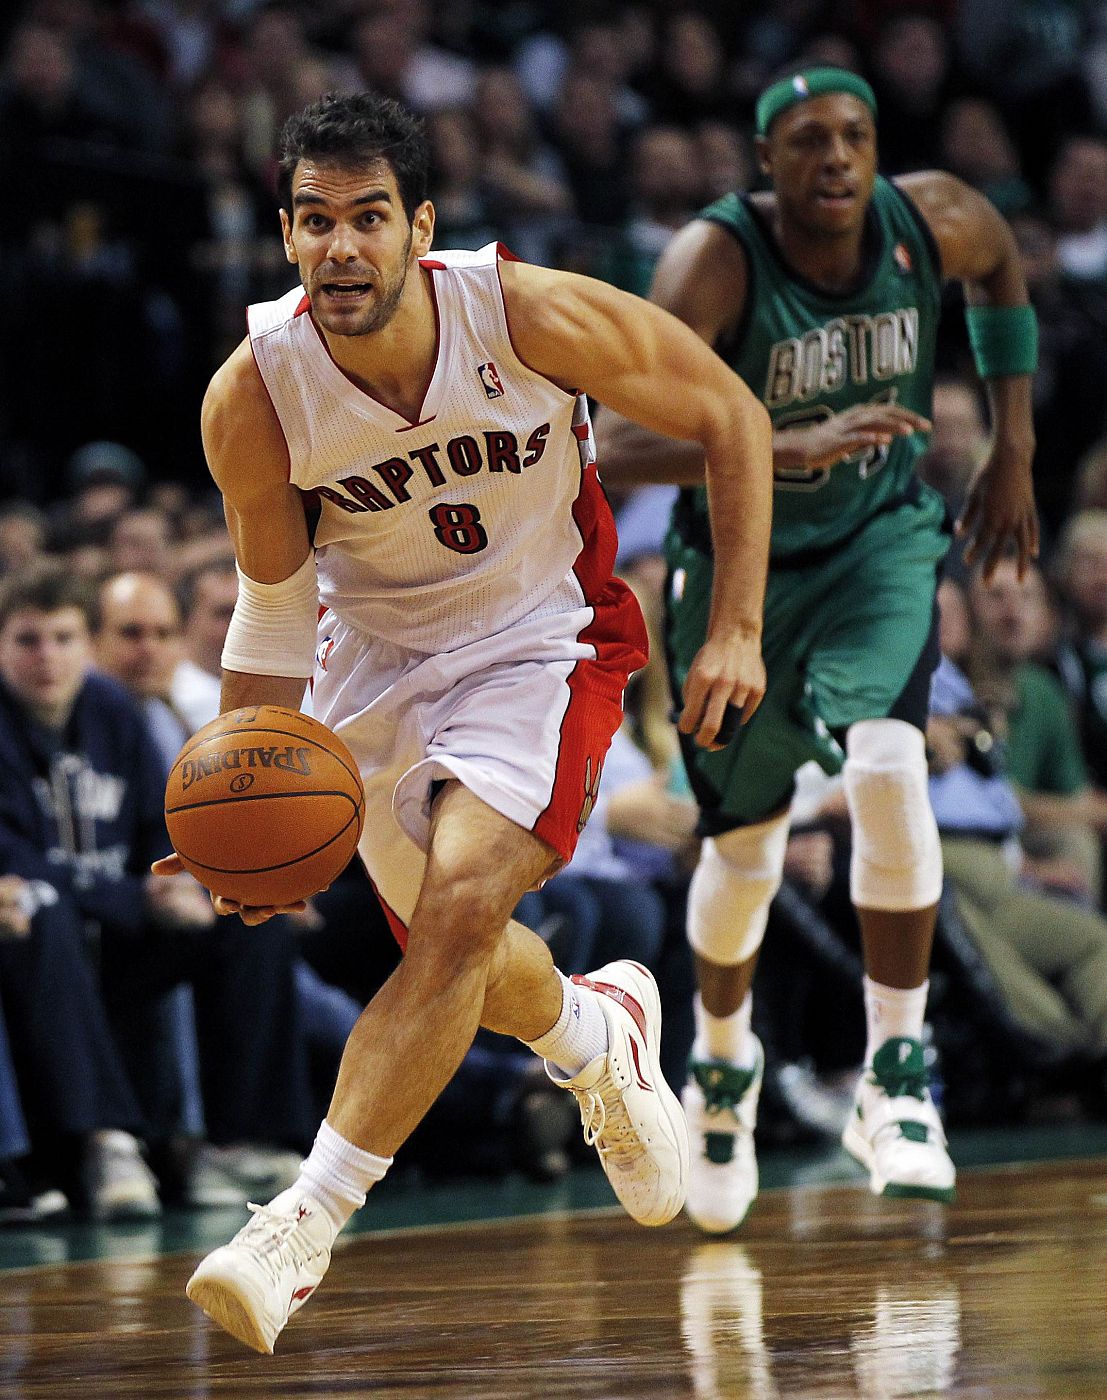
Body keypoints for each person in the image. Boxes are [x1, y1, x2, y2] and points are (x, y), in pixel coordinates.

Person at [164, 91, 773, 1355]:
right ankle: (597, 1030)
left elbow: (731, 414)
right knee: (472, 964)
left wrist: (736, 625)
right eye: (315, 220)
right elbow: (275, 612)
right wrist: (229, 798)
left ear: (419, 226)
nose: (342, 246)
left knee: (455, 913)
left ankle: (302, 1223)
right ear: (285, 236)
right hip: (371, 666)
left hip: (540, 640)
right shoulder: (254, 395)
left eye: (368, 217)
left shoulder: (524, 311)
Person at [598, 67, 1039, 1232]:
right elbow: (615, 441)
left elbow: (999, 269)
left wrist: (1014, 443)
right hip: (741, 564)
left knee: (893, 765)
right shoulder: (717, 260)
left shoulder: (933, 217)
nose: (837, 156)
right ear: (765, 163)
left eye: (855, 135)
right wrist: (773, 448)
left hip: (883, 545)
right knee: (744, 850)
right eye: (808, 141)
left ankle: (897, 1079)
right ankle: (723, 1069)